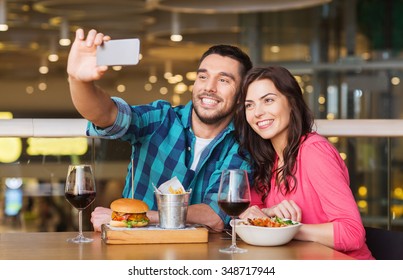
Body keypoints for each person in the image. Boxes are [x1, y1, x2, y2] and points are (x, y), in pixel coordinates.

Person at [67, 28, 253, 232]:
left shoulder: (242, 145)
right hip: (133, 250)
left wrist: (131, 217)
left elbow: (214, 215)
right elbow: (106, 115)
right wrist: (79, 81)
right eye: (202, 77)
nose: (209, 87)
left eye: (224, 80)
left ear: (241, 95)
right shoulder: (160, 118)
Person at [234, 66, 374, 260]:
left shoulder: (314, 151)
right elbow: (252, 212)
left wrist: (283, 228)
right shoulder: (269, 159)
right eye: (249, 105)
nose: (257, 112)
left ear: (292, 103)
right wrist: (268, 213)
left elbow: (352, 233)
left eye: (268, 100)